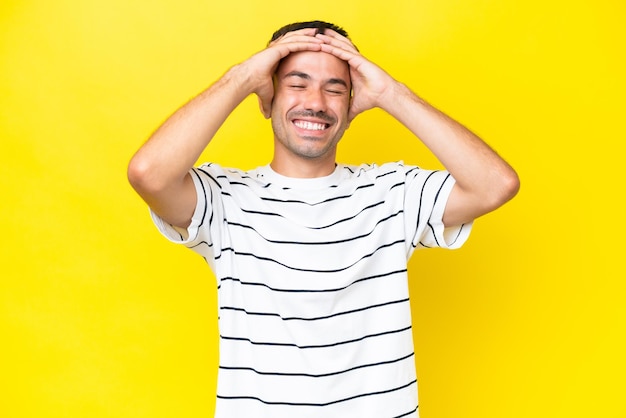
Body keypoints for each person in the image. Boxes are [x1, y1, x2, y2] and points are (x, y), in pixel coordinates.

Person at [128, 20, 519, 418]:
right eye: (297, 84)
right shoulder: (226, 200)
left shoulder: (392, 192)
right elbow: (148, 174)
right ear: (267, 99)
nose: (316, 101)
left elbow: (495, 185)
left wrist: (391, 93)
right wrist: (244, 76)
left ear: (352, 106)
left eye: (334, 88)